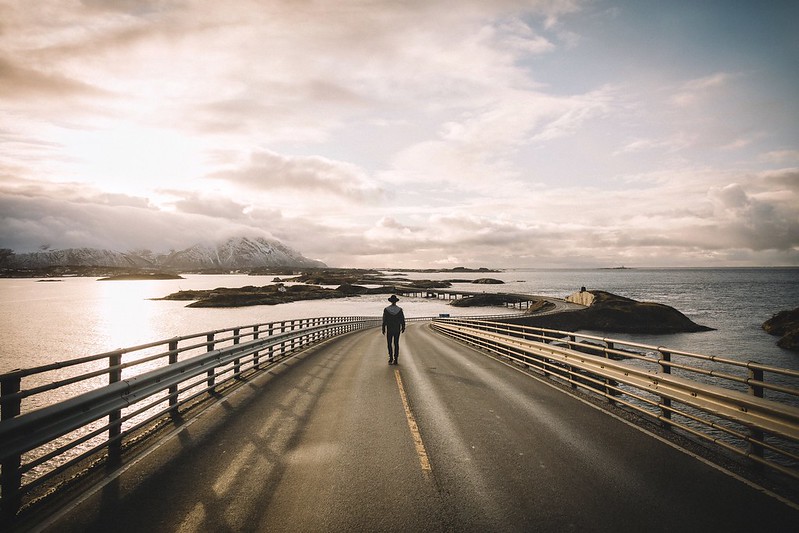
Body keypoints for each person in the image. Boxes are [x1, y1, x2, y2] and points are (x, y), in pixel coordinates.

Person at [382, 294, 406, 365]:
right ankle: (396, 358)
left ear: (390, 301)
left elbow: (384, 320)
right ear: (396, 301)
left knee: (389, 343)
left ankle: (391, 358)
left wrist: (383, 328)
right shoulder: (399, 310)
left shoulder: (386, 309)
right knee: (396, 343)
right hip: (397, 328)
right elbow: (402, 319)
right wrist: (403, 326)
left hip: (389, 328)